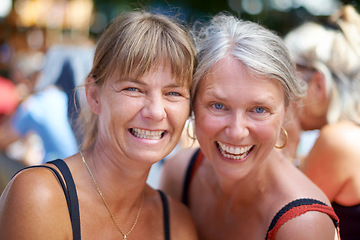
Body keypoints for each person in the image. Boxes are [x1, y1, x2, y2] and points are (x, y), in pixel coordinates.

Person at [0, 10, 197, 240]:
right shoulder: (40, 197)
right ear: (94, 95)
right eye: (133, 89)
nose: (155, 111)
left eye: (173, 93)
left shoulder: (177, 224)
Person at [159, 13, 340, 240]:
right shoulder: (179, 174)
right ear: (192, 105)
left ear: (286, 111)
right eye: (218, 105)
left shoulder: (302, 223)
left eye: (259, 110)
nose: (236, 131)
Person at [284, 5, 360, 240]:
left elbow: (281, 221)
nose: (283, 92)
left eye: (288, 78)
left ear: (318, 84)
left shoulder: (338, 140)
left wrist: (287, 142)